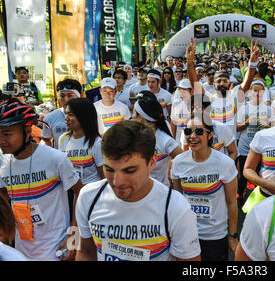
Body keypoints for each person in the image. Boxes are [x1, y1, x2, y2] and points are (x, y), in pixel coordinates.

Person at [75, 120, 201, 261]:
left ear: (152, 162)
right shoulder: (88, 197)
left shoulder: (175, 208)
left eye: (130, 171)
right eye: (109, 169)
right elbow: (85, 251)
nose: (118, 182)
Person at [0, 99, 83, 260]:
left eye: (7, 134)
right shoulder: (2, 161)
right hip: (20, 249)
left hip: (56, 247)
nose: (2, 140)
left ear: (27, 131)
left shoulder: (55, 158)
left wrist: (73, 238)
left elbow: (81, 193)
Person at [171, 114, 238, 261]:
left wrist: (232, 236)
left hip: (215, 235)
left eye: (199, 131)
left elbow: (232, 202)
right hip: (188, 233)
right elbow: (178, 200)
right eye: (188, 132)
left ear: (210, 135)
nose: (192, 136)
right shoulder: (178, 163)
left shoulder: (225, 163)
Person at [132, 91, 183, 186]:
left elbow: (184, 160)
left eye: (134, 113)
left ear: (142, 117)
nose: (132, 116)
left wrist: (174, 178)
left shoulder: (165, 140)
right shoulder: (135, 134)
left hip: (160, 192)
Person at [236, 80, 274, 205]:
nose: (257, 93)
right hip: (244, 147)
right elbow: (236, 127)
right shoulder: (244, 107)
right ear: (250, 92)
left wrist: (267, 126)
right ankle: (240, 195)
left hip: (261, 149)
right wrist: (247, 122)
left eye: (260, 91)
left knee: (258, 175)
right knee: (242, 175)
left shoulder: (269, 109)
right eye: (254, 90)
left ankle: (256, 200)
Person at [59, 98, 104, 185]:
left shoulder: (96, 143)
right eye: (66, 114)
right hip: (70, 191)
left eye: (70, 114)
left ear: (83, 116)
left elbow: (103, 176)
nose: (66, 118)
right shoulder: (63, 139)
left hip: (90, 193)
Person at [41, 79, 82, 149]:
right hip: (60, 158)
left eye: (70, 95)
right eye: (62, 96)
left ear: (79, 96)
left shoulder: (89, 114)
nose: (66, 99)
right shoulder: (50, 118)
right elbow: (46, 140)